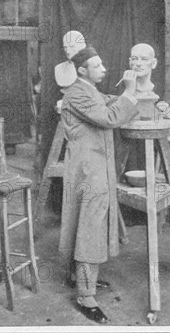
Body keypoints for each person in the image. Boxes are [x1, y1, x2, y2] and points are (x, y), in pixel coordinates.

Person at [59, 46, 138, 324]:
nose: (104, 68)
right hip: (88, 171)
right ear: (82, 71)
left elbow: (109, 101)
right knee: (90, 227)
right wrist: (130, 92)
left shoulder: (89, 91)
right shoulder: (77, 93)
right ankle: (85, 295)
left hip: (93, 168)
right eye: (97, 65)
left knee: (87, 224)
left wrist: (130, 96)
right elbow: (110, 117)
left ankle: (78, 279)